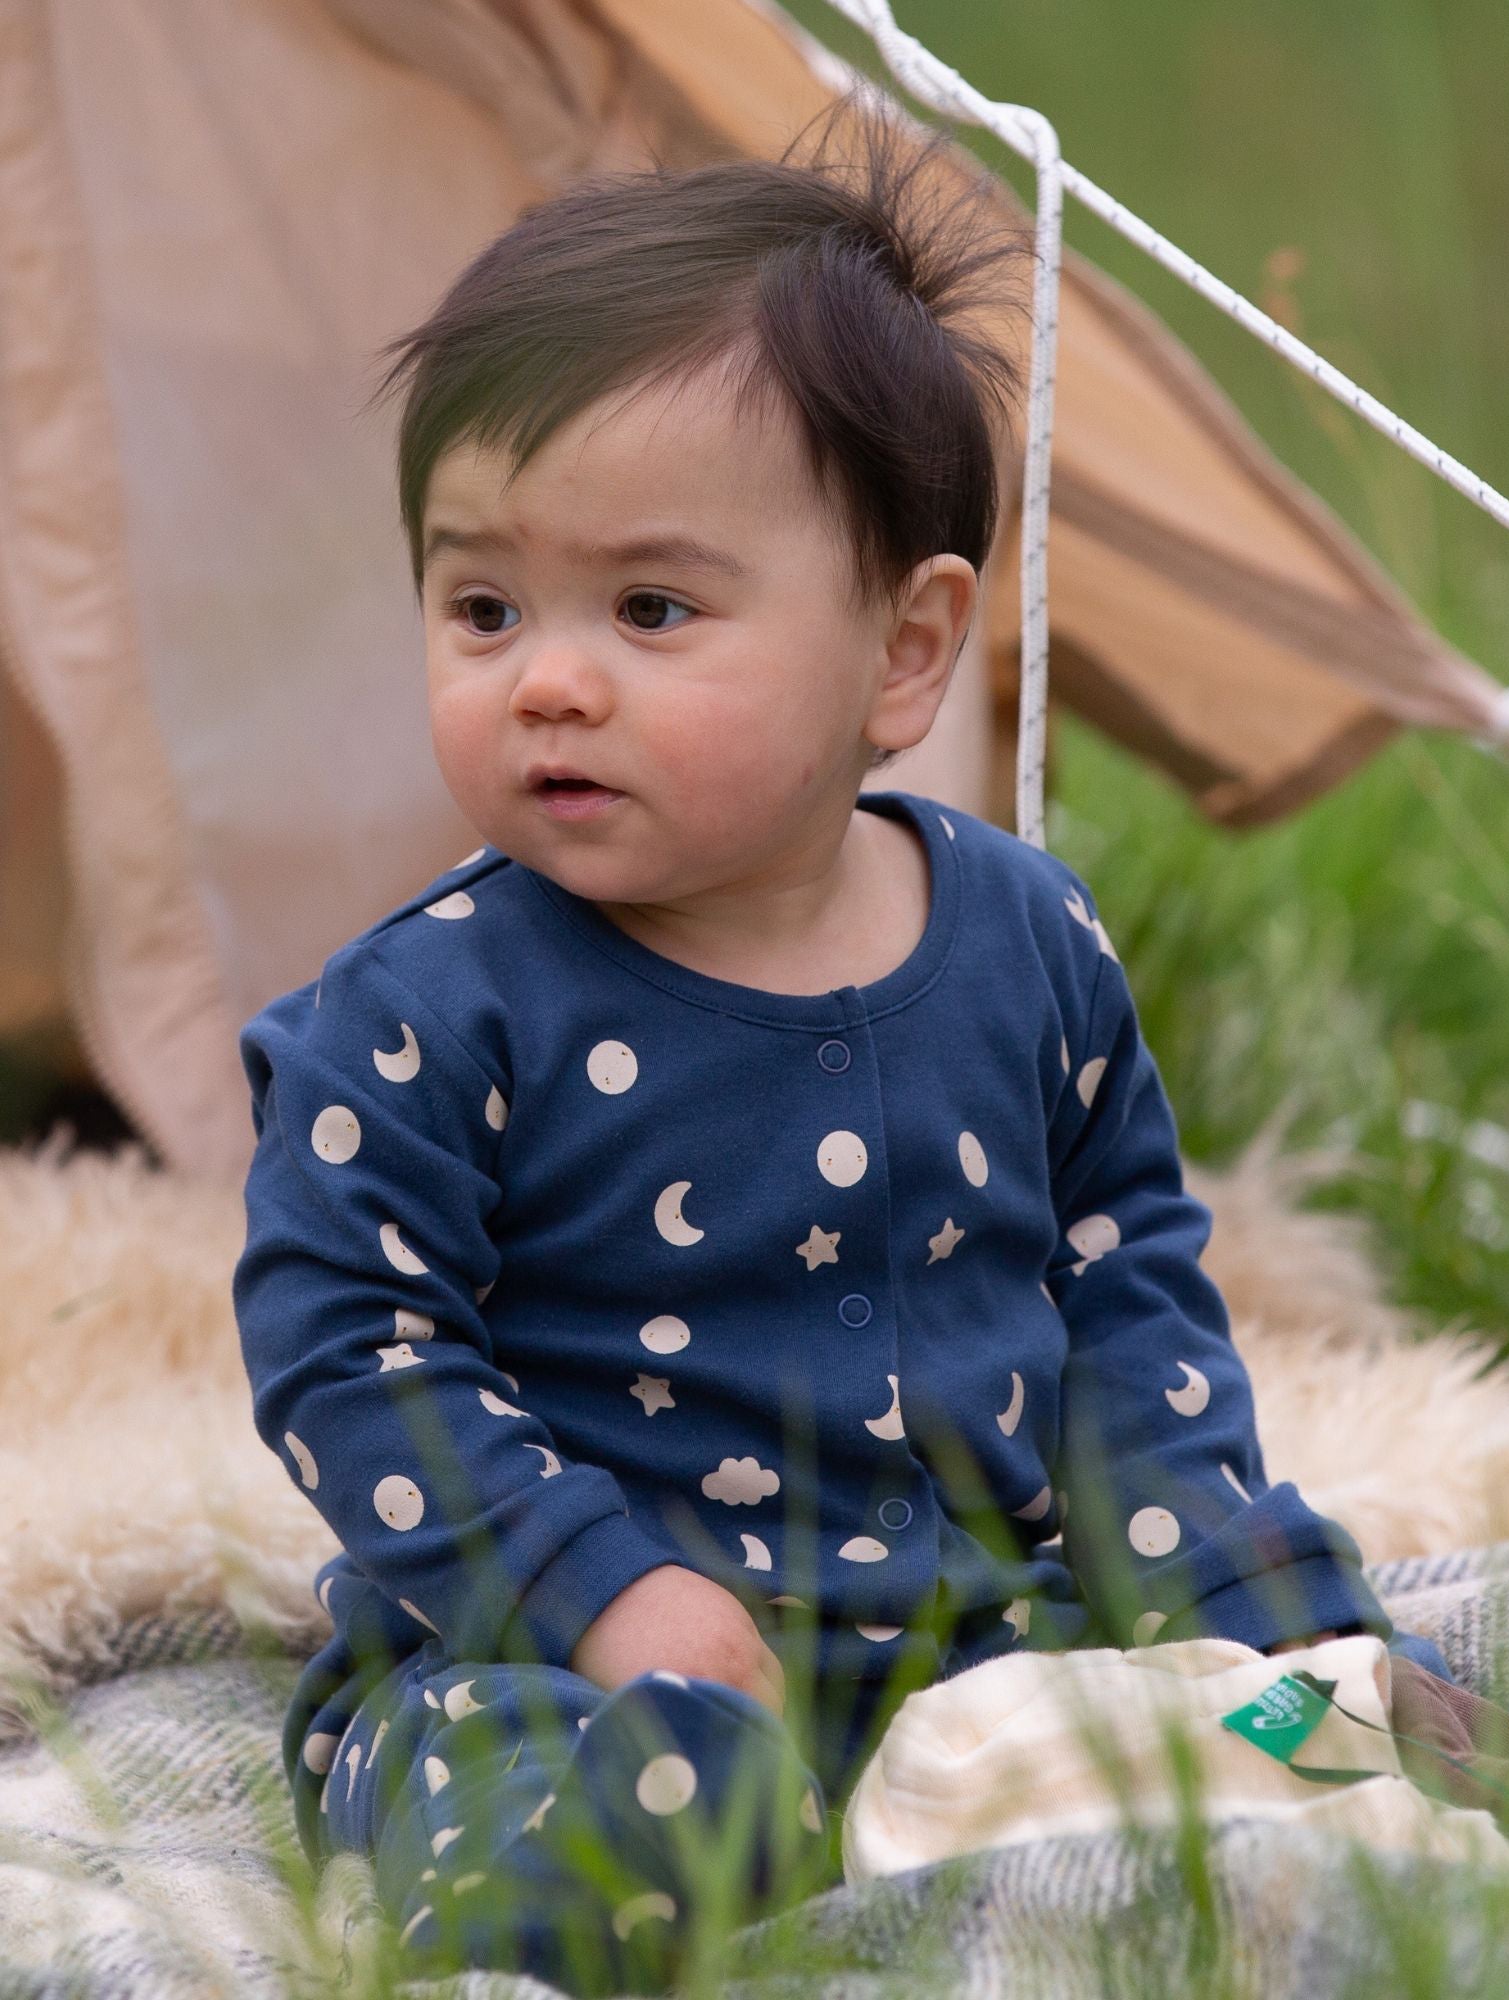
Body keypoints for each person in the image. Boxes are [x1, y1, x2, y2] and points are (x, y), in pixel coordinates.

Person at [231, 84, 1445, 1996]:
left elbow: (1122, 1295)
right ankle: (608, 1903)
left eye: (646, 606)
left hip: (961, 1641)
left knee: (1288, 1716)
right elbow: (343, 1351)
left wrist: (1222, 1595)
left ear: (901, 648)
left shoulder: (1025, 938)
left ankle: (1451, 1761)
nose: (545, 675)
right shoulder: (423, 1010)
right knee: (576, 1799)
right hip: (557, 1672)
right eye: (481, 604)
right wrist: (592, 1591)